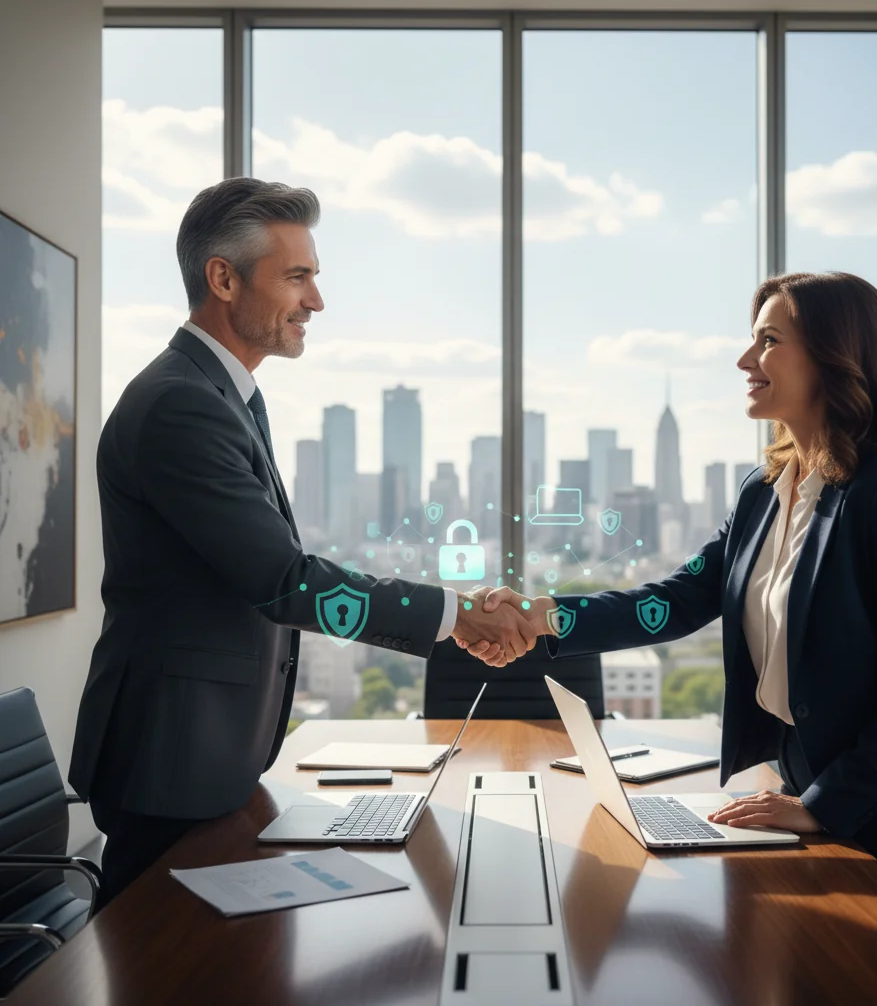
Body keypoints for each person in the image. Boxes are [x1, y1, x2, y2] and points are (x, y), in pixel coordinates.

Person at [69, 178, 533, 908]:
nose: (316, 301)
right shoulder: (180, 404)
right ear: (223, 278)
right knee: (161, 971)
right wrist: (456, 616)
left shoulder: (222, 396)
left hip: (209, 756)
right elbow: (283, 580)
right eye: (298, 276)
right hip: (170, 759)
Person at [462, 272, 877, 920]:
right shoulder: (765, 491)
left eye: (768, 341)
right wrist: (545, 616)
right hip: (798, 792)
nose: (745, 361)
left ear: (834, 355)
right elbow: (678, 600)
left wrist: (823, 804)